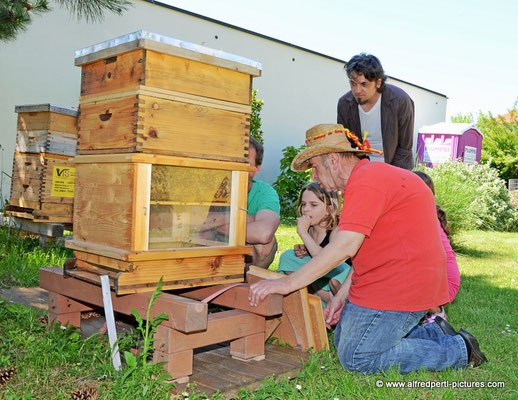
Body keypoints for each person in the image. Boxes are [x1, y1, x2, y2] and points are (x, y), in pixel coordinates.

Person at [249, 123, 487, 374]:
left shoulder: (367, 180)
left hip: (405, 286)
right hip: (389, 282)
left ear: (332, 160)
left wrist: (286, 284)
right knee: (343, 342)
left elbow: (345, 246)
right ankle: (433, 331)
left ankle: (458, 351)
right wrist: (340, 298)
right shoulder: (366, 179)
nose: (314, 177)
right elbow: (364, 253)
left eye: (315, 168)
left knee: (356, 357)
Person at [200, 137, 280, 269]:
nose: (238, 168)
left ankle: (249, 282)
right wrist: (248, 219)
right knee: (202, 235)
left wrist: (215, 221)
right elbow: (193, 225)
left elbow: (263, 233)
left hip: (246, 251)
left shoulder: (264, 192)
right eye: (234, 161)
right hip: (214, 246)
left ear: (256, 168)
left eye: (245, 163)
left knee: (267, 244)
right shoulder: (213, 188)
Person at [337, 53, 415, 169]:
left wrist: (392, 178)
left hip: (395, 168)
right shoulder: (344, 104)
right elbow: (346, 146)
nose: (357, 90)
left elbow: (404, 149)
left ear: (378, 82)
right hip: (362, 169)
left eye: (364, 84)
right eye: (353, 84)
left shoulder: (400, 101)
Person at [277, 182, 350, 305]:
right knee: (287, 256)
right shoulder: (311, 229)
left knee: (342, 269)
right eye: (303, 204)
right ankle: (313, 295)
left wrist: (303, 233)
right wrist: (304, 249)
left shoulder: (336, 229)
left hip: (339, 279)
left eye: (313, 205)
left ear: (328, 210)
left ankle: (329, 299)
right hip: (320, 279)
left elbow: (328, 261)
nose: (306, 209)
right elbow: (314, 256)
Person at [413, 170, 460, 324]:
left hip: (445, 283)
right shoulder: (422, 215)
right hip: (438, 278)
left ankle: (437, 313)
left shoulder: (426, 220)